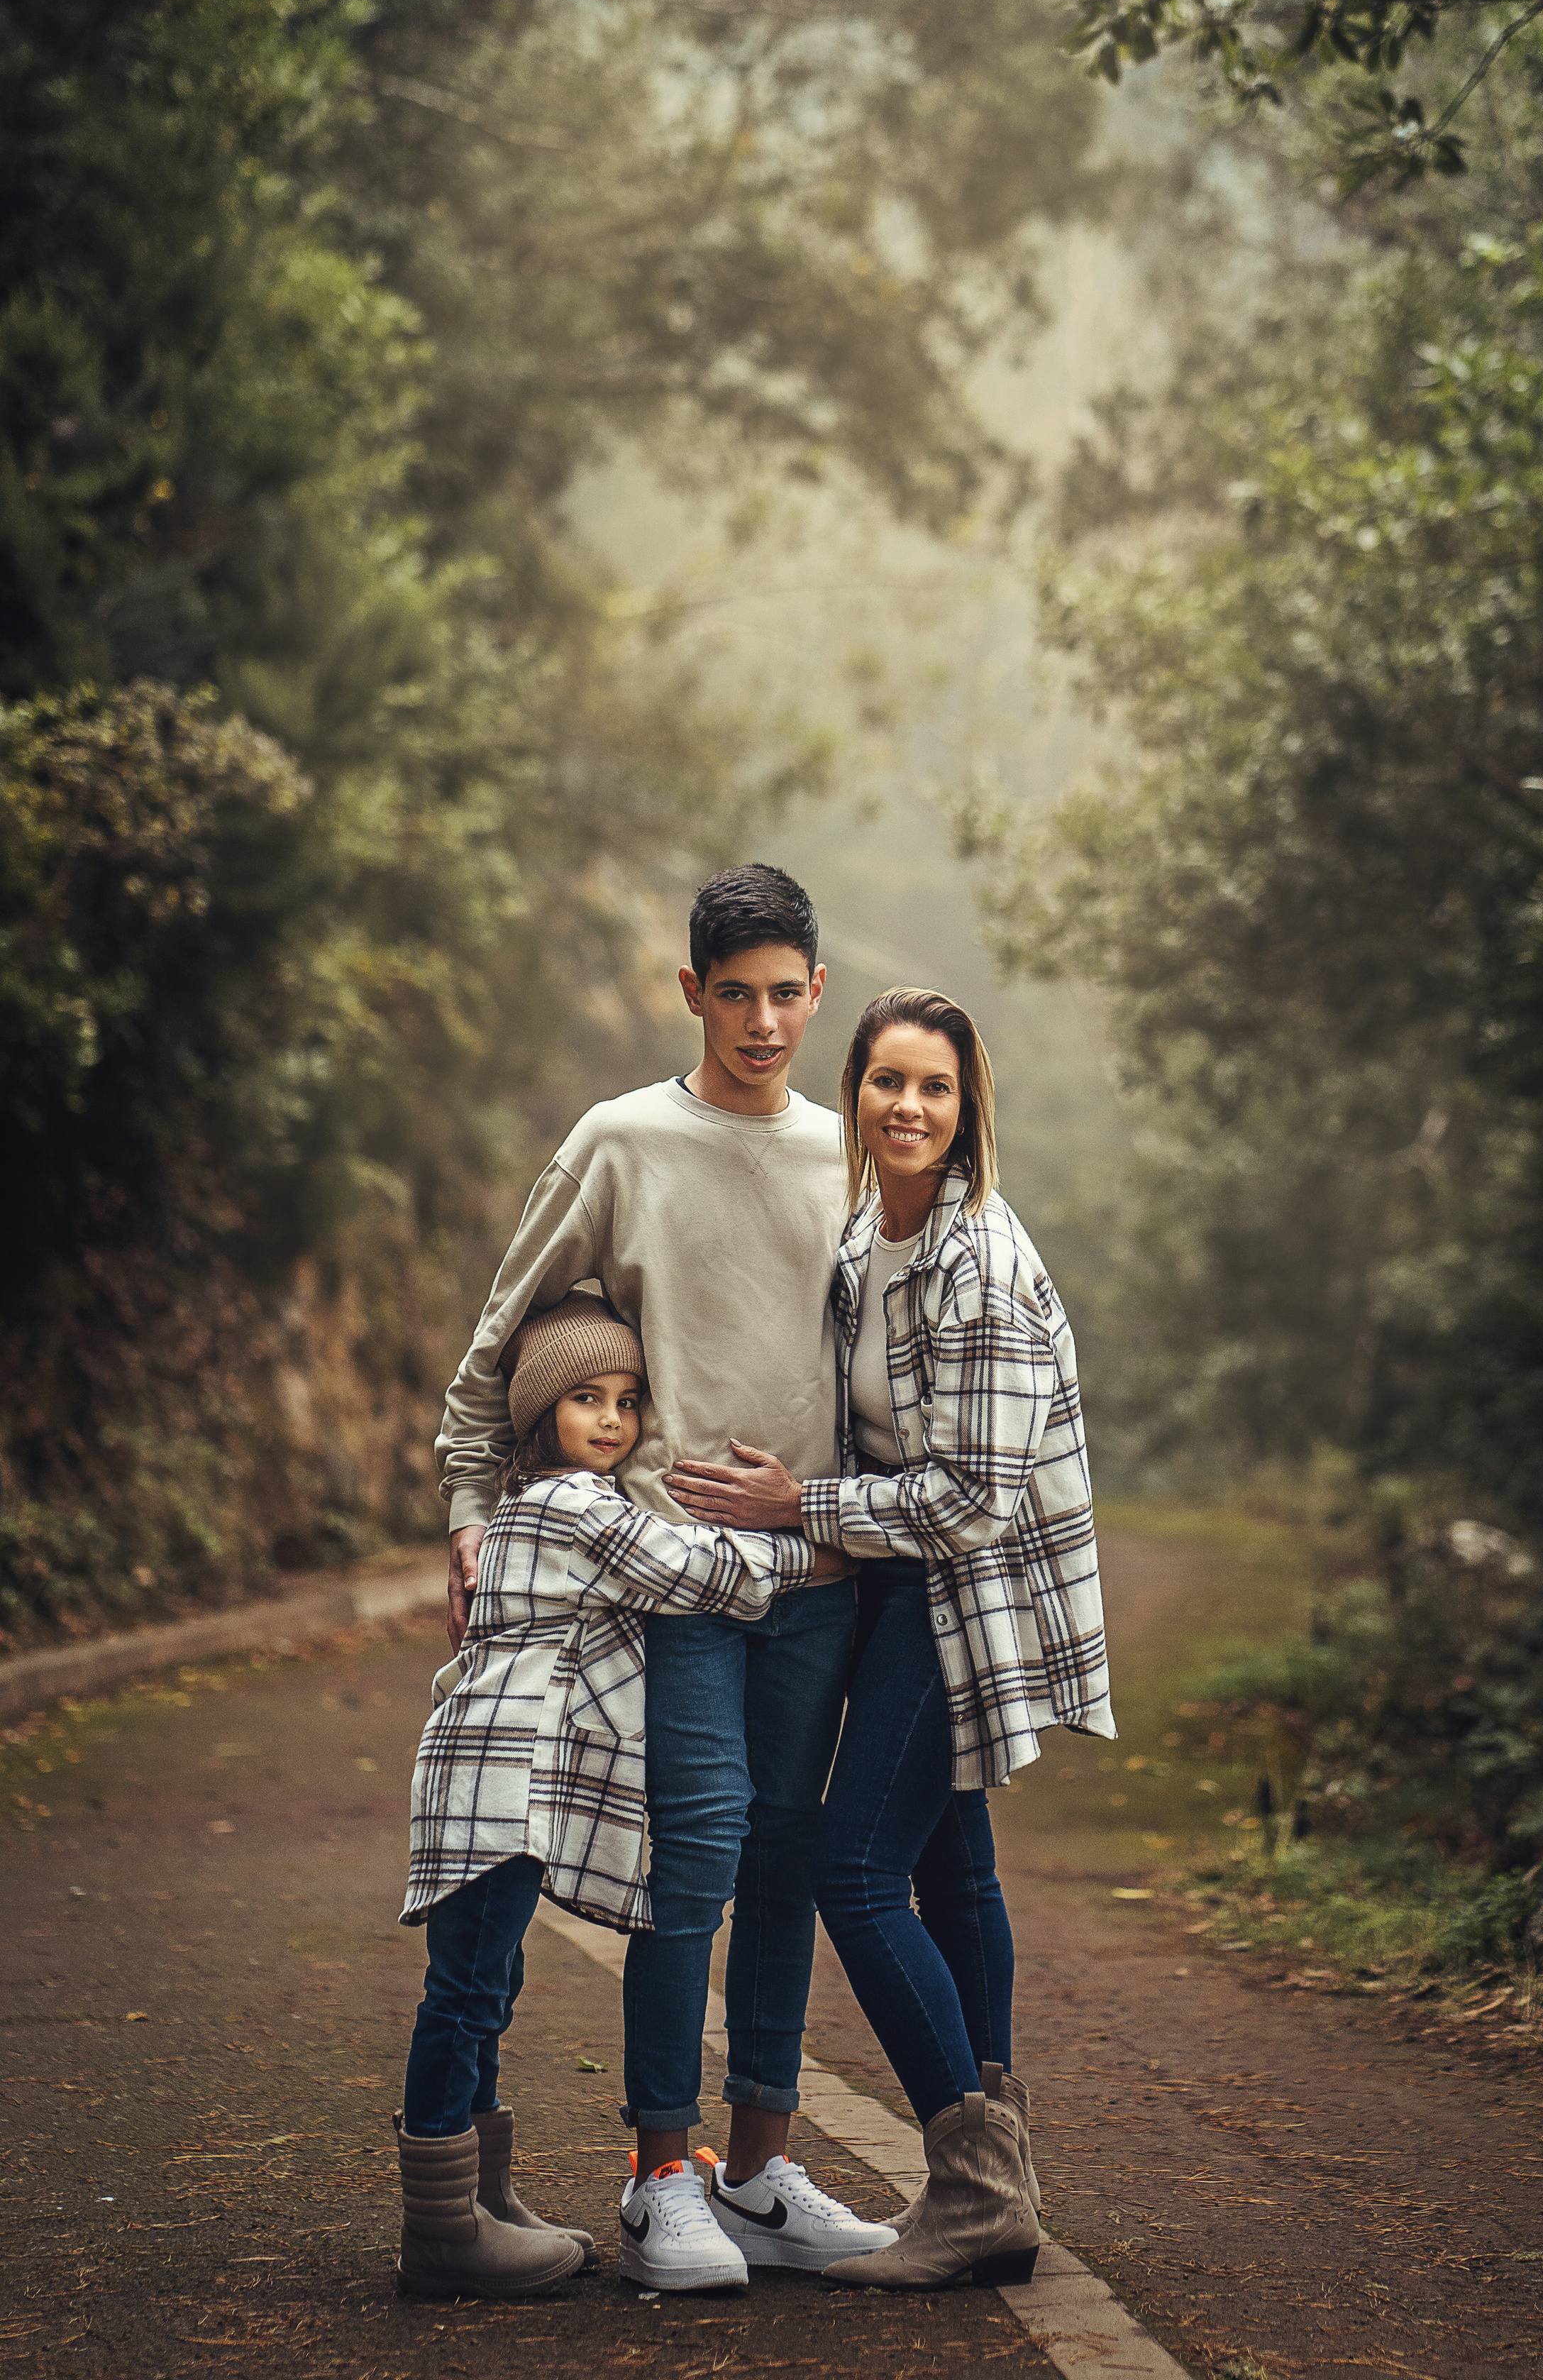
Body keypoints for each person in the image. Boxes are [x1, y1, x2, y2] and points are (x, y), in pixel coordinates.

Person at [433, 864, 895, 2289]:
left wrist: (859, 1528)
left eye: (786, 996)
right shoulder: (621, 1141)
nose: (762, 1024)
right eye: (733, 995)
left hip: (816, 1576)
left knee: (785, 1863)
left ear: (817, 994)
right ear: (691, 992)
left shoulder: (850, 1155)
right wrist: (471, 1507)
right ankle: (658, 2179)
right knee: (690, 1860)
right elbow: (501, 1341)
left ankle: (759, 2173)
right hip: (672, 1581)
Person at [668, 986, 1117, 2291]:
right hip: (898, 1587)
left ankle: (974, 2189)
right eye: (886, 1082)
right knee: (954, 1870)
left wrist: (796, 1506)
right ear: (854, 1093)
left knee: (857, 1874)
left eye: (935, 1087)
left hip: (962, 1596)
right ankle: (998, 2193)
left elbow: (975, 1501)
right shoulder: (871, 1234)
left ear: (969, 1108)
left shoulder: (980, 1261)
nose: (907, 1106)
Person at [395, 1295, 871, 2297]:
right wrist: (820, 1551)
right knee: (467, 1994)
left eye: (627, 1400)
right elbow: (695, 1566)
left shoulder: (546, 1503)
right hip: (497, 1786)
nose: (613, 1420)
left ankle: (483, 2203)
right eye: (586, 1398)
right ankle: (442, 2227)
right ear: (539, 1413)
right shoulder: (577, 1508)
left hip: (495, 1783)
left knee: (486, 1987)